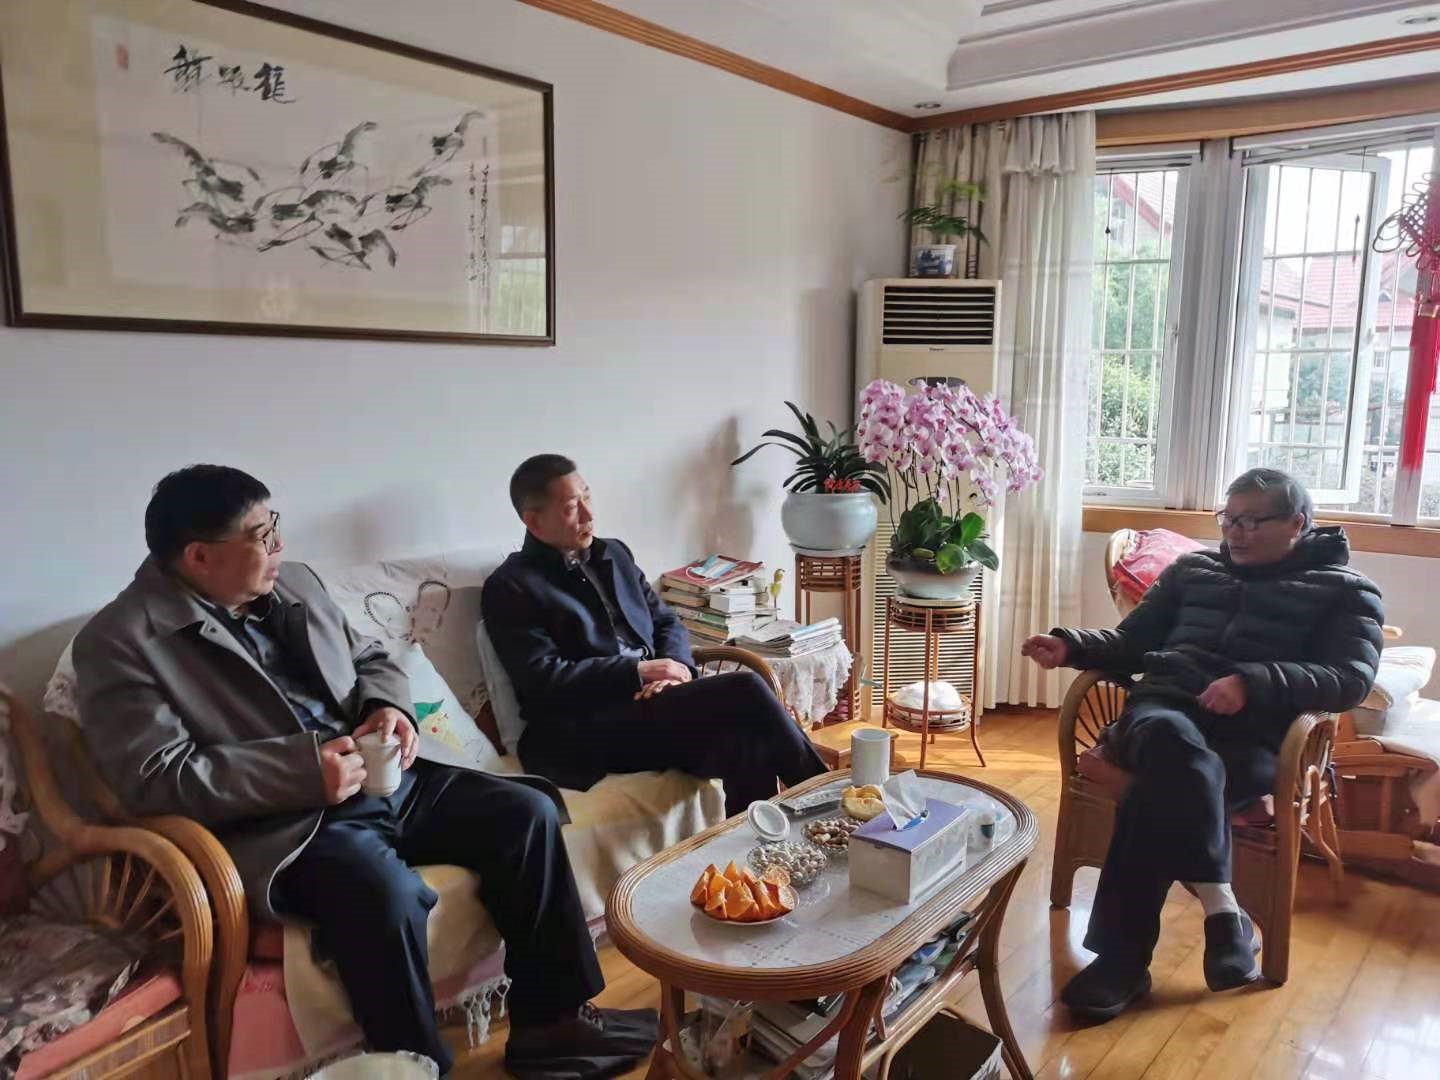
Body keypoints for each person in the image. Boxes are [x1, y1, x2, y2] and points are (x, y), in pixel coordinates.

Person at [73, 465, 656, 1079]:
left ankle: (554, 1026)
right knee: (385, 895)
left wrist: (387, 707)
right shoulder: (121, 642)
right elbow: (157, 778)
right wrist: (303, 772)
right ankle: (415, 1068)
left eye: (275, 526)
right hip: (288, 826)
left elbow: (371, 656)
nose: (280, 546)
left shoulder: (295, 583)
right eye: (262, 536)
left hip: (385, 779)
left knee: (525, 812)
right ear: (199, 556)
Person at [1023, 467, 1383, 1020]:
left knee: (1160, 790)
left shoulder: (1346, 591)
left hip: (1253, 738)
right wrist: (1071, 647)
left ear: (1297, 523)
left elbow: (1349, 679)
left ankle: (1122, 963)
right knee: (1172, 746)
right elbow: (1132, 642)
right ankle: (1224, 910)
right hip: (1163, 712)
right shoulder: (1193, 570)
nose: (1234, 532)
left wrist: (1254, 682)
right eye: (1228, 519)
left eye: (1251, 521)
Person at [481, 454, 828, 815]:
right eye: (571, 507)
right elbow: (543, 679)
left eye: (587, 496)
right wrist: (639, 672)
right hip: (588, 726)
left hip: (659, 705)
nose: (588, 514)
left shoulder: (614, 553)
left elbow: (666, 622)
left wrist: (675, 671)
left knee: (747, 742)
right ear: (534, 522)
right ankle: (829, 802)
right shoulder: (511, 587)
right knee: (745, 688)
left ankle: (762, 847)